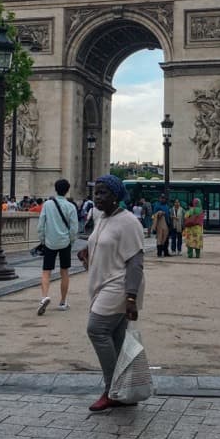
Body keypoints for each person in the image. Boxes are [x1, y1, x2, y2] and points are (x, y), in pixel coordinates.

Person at [84, 175, 145, 412]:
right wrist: (87, 251)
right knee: (117, 342)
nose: (98, 197)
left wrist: (131, 297)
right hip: (102, 284)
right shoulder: (101, 217)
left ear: (116, 195)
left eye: (103, 193)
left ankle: (112, 390)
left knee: (96, 329)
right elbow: (103, 243)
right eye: (96, 192)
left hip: (120, 286)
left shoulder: (129, 221)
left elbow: (135, 261)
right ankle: (127, 391)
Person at [37, 178, 78, 315]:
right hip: (65, 242)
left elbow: (41, 224)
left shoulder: (47, 204)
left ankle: (44, 297)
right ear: (67, 190)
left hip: (50, 242)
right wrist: (71, 241)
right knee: (64, 272)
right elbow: (74, 228)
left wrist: (43, 240)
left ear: (55, 189)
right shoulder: (71, 206)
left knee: (46, 272)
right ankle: (63, 301)